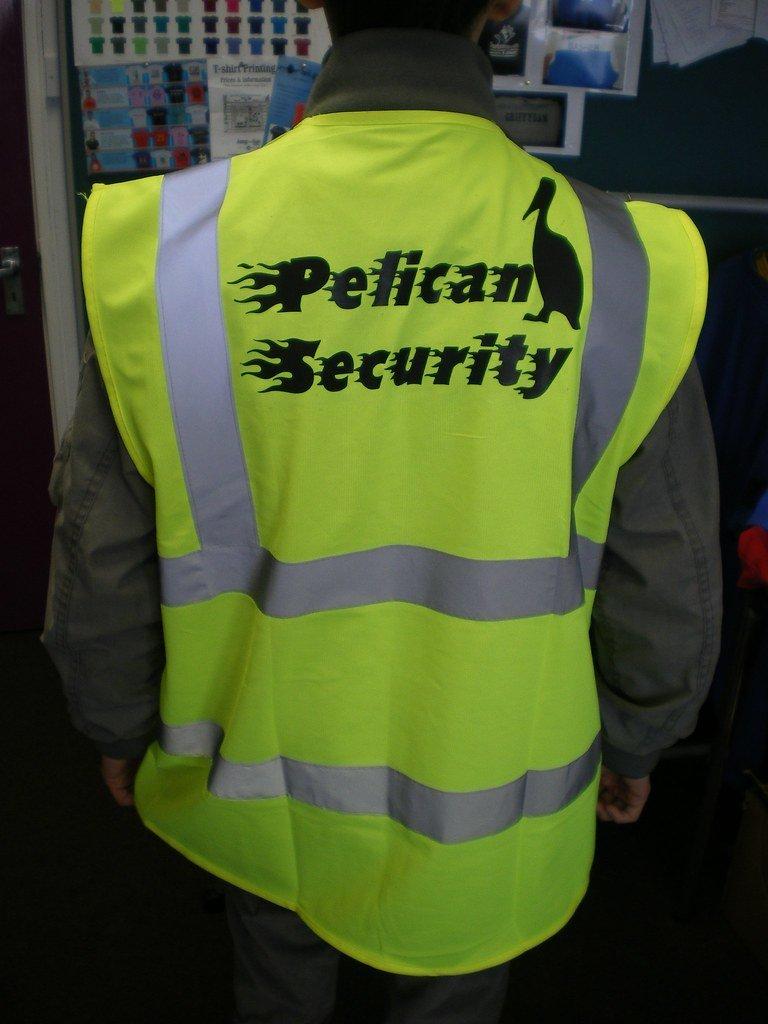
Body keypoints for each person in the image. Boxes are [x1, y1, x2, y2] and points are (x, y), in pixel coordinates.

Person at [42, 2, 722, 1021]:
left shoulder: (171, 246)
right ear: (499, 7)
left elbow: (102, 543)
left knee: (277, 985)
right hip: (490, 788)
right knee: (451, 987)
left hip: (256, 778)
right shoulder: (627, 263)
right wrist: (640, 734)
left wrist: (116, 718)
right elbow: (665, 560)